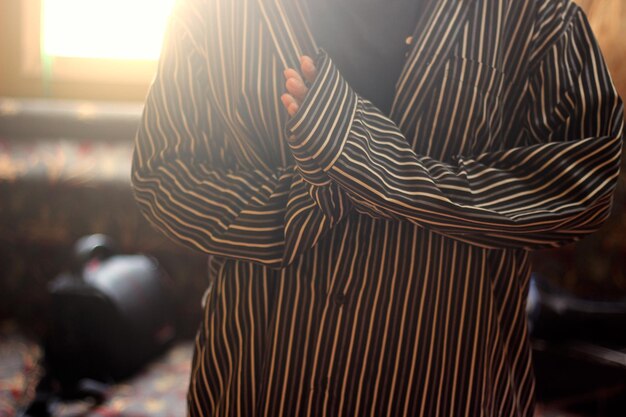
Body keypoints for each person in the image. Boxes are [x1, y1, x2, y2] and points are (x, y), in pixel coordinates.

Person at [130, 0, 624, 415]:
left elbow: (584, 187)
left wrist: (381, 169)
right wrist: (301, 205)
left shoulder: (532, 13)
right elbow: (163, 173)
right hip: (252, 389)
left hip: (450, 395)